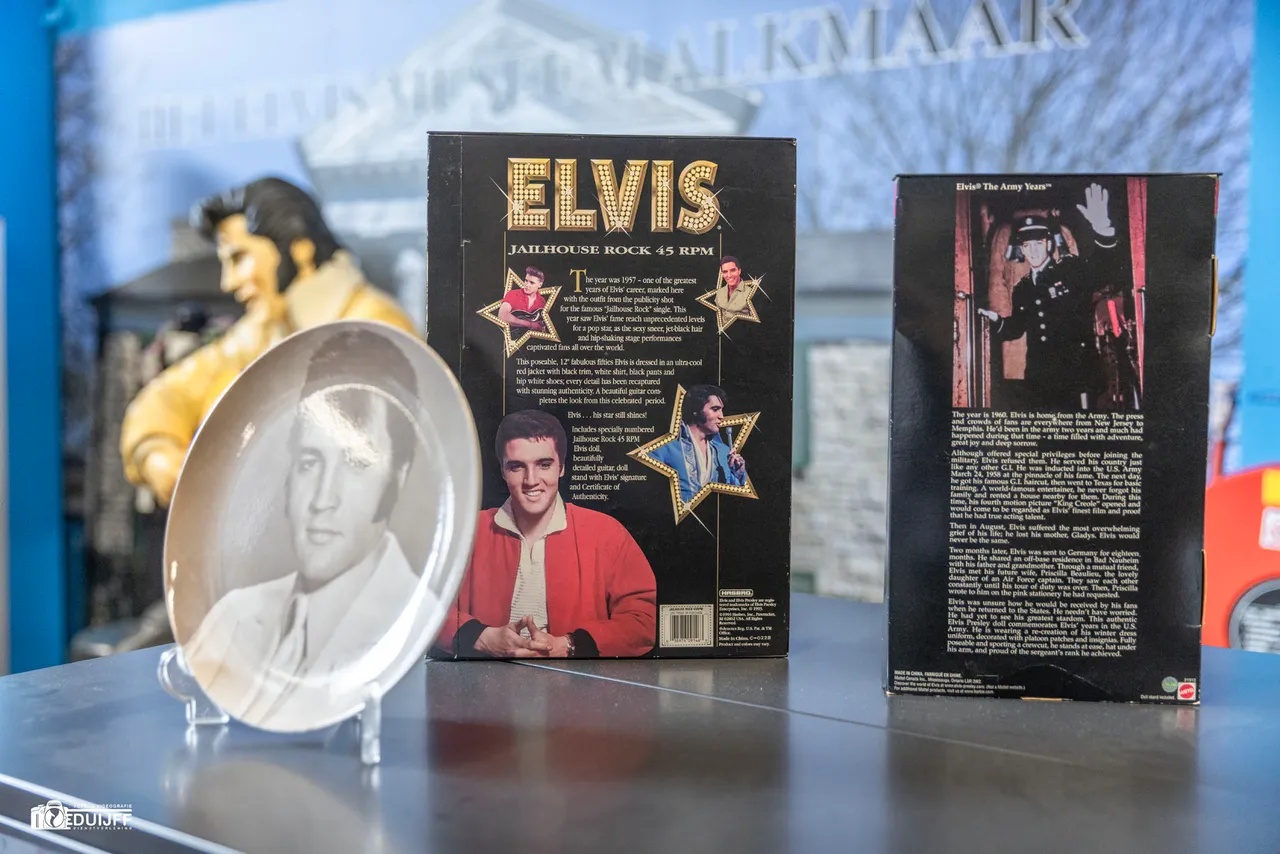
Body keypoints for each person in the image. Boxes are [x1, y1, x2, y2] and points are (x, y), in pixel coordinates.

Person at [120, 177, 418, 508]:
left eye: (239, 258)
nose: (228, 282)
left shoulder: (376, 328)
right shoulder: (263, 331)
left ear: (300, 251)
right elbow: (169, 394)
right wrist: (156, 452)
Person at [183, 327, 428, 728]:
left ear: (397, 477)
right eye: (310, 462)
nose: (322, 499)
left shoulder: (419, 629)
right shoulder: (231, 617)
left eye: (357, 463)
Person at [434, 410, 657, 659]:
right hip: (484, 680)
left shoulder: (607, 533)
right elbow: (423, 605)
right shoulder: (466, 531)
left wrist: (567, 645)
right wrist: (483, 638)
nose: (531, 480)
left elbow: (642, 621)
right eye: (517, 466)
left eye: (544, 465)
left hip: (574, 681)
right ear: (503, 471)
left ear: (561, 467)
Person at [977, 183, 1118, 411]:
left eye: (1039, 244)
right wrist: (998, 322)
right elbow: (1000, 293)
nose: (1033, 251)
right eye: (1028, 245)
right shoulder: (1022, 283)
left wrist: (1103, 230)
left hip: (1073, 365)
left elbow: (1095, 273)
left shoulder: (1066, 260)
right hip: (1037, 368)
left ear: (1049, 244)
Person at [650, 384, 747, 505]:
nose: (721, 416)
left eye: (721, 410)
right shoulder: (665, 447)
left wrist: (737, 476)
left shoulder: (724, 452)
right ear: (696, 411)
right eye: (715, 409)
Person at [498, 266, 548, 332]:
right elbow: (502, 316)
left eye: (532, 283)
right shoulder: (513, 294)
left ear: (540, 285)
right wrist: (530, 324)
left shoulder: (542, 301)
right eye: (526, 280)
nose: (527, 285)